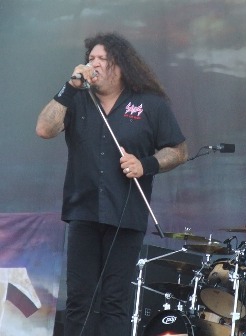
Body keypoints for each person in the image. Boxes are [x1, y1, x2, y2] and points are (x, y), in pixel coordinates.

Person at [36, 32, 188, 336]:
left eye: (100, 59)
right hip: (83, 212)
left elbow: (178, 150)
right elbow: (44, 129)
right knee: (80, 299)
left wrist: (146, 164)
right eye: (90, 58)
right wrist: (69, 87)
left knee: (115, 301)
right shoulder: (77, 98)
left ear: (119, 65)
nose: (92, 64)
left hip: (126, 214)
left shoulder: (149, 104)